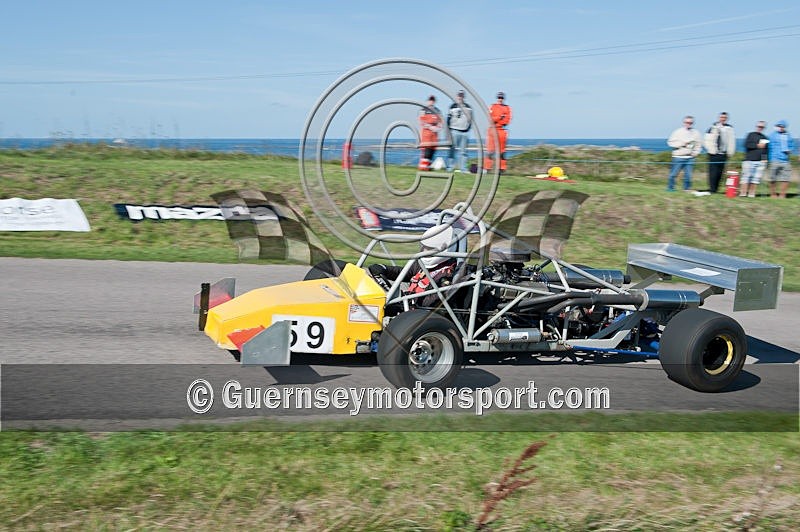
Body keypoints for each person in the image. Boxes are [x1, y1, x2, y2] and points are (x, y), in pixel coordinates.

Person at [666, 115, 702, 191]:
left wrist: (696, 153)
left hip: (690, 158)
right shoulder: (677, 132)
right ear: (684, 122)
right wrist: (682, 144)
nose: (688, 124)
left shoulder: (696, 133)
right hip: (678, 157)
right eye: (687, 122)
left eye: (690, 122)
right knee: (673, 174)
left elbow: (699, 145)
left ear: (693, 123)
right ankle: (670, 188)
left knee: (688, 176)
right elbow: (670, 143)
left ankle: (686, 189)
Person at [703, 112, 736, 193]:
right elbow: (706, 141)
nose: (723, 119)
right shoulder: (712, 128)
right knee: (713, 173)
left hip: (724, 154)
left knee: (720, 173)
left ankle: (716, 189)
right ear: (719, 118)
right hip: (714, 154)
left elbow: (731, 141)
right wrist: (711, 150)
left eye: (725, 117)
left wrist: (730, 152)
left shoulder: (730, 128)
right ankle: (712, 189)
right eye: (722, 117)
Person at [483, 92, 512, 173]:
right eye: (499, 97)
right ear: (497, 98)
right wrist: (500, 117)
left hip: (502, 130)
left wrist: (498, 119)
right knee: (490, 151)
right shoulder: (493, 106)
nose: (500, 99)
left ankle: (501, 169)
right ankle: (487, 168)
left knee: (502, 151)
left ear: (503, 99)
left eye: (501, 98)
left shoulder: (507, 108)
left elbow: (507, 121)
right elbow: (490, 119)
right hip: (492, 130)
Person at [740, 121, 769, 197]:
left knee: (756, 179)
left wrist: (765, 160)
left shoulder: (765, 138)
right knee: (746, 177)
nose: (760, 128)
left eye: (762, 127)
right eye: (759, 126)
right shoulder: (750, 135)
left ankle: (751, 193)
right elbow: (746, 144)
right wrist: (757, 145)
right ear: (756, 126)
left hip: (760, 161)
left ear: (764, 128)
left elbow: (765, 150)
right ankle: (743, 193)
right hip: (749, 160)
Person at [767, 120, 795, 198]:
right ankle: (773, 194)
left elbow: (792, 146)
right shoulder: (772, 135)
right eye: (779, 126)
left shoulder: (788, 135)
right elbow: (767, 147)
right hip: (774, 159)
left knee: (786, 178)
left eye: (782, 126)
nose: (781, 127)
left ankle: (782, 195)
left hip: (785, 160)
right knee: (772, 178)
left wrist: (790, 150)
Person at [446, 90, 472, 172]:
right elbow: (448, 119)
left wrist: (468, 128)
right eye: (459, 95)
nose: (460, 97)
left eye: (462, 96)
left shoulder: (468, 107)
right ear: (457, 96)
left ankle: (463, 169)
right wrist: (449, 131)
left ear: (464, 97)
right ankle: (450, 167)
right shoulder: (452, 106)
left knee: (463, 152)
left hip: (464, 132)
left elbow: (471, 119)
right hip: (454, 131)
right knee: (452, 150)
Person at [418, 95, 442, 171]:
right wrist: (430, 127)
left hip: (434, 135)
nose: (431, 101)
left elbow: (441, 122)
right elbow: (421, 122)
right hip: (426, 133)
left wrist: (438, 128)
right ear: (428, 101)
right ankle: (423, 167)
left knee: (433, 150)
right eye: (430, 100)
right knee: (426, 151)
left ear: (434, 101)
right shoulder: (423, 110)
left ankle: (428, 166)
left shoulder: (437, 111)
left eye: (433, 100)